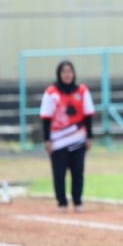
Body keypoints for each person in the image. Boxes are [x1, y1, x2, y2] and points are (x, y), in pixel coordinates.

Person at [39, 60, 95, 212]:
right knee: (59, 173)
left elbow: (88, 115)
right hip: (58, 140)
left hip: (78, 137)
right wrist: (47, 139)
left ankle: (77, 201)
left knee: (78, 172)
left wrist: (89, 137)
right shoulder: (51, 93)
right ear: (59, 74)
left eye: (69, 71)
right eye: (64, 71)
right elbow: (45, 117)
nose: (67, 74)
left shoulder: (82, 91)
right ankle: (62, 202)